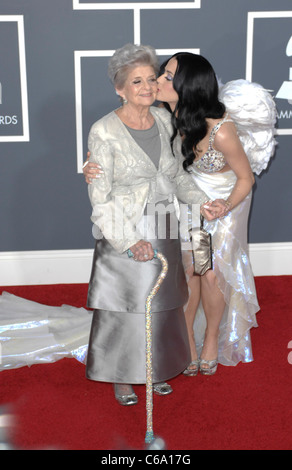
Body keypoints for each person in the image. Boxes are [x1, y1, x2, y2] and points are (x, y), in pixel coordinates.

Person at [84, 50, 276, 377]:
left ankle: (212, 338)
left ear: (186, 86)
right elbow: (129, 145)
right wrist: (92, 164)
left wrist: (222, 205)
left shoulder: (220, 129)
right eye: (159, 74)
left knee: (210, 272)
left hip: (222, 205)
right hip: (184, 202)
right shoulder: (163, 114)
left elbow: (246, 178)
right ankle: (185, 339)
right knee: (187, 272)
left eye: (166, 77)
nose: (156, 82)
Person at [84, 44, 224, 406]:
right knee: (126, 308)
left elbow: (175, 176)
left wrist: (201, 201)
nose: (146, 87)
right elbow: (101, 198)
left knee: (163, 303)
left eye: (151, 78)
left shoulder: (163, 120)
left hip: (163, 225)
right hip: (125, 230)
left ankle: (155, 367)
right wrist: (129, 241)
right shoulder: (103, 131)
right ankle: (122, 375)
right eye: (136, 81)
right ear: (119, 88)